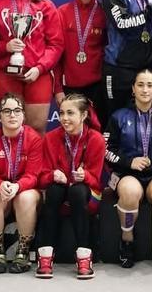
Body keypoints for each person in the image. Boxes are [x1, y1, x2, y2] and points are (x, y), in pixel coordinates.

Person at [0, 0, 63, 133]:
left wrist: (40, 68)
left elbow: (56, 44)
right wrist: (5, 47)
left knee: (36, 129)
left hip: (38, 75)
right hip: (7, 75)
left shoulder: (46, 6)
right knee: (9, 128)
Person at [104, 68, 152, 268]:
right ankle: (127, 241)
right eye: (140, 85)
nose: (145, 89)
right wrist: (128, 162)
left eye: (150, 85)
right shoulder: (118, 116)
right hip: (127, 173)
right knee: (130, 191)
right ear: (133, 89)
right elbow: (106, 150)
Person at [37, 92, 106, 280]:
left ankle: (84, 256)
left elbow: (97, 181)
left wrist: (85, 176)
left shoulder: (96, 139)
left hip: (86, 194)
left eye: (70, 113)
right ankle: (45, 256)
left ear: (84, 115)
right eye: (61, 113)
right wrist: (52, 174)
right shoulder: (51, 138)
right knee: (53, 190)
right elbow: (41, 177)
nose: (64, 118)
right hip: (59, 191)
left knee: (76, 191)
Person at [0, 93, 45, 274]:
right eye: (6, 111)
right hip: (2, 192)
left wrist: (18, 186)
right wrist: (0, 184)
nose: (12, 115)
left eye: (17, 110)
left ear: (24, 115)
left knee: (24, 197)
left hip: (25, 191)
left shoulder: (34, 139)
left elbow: (33, 175)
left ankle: (22, 252)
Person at [53, 0, 108, 129]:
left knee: (97, 131)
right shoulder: (62, 12)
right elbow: (57, 55)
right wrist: (57, 90)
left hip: (98, 86)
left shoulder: (105, 12)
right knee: (72, 131)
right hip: (70, 86)